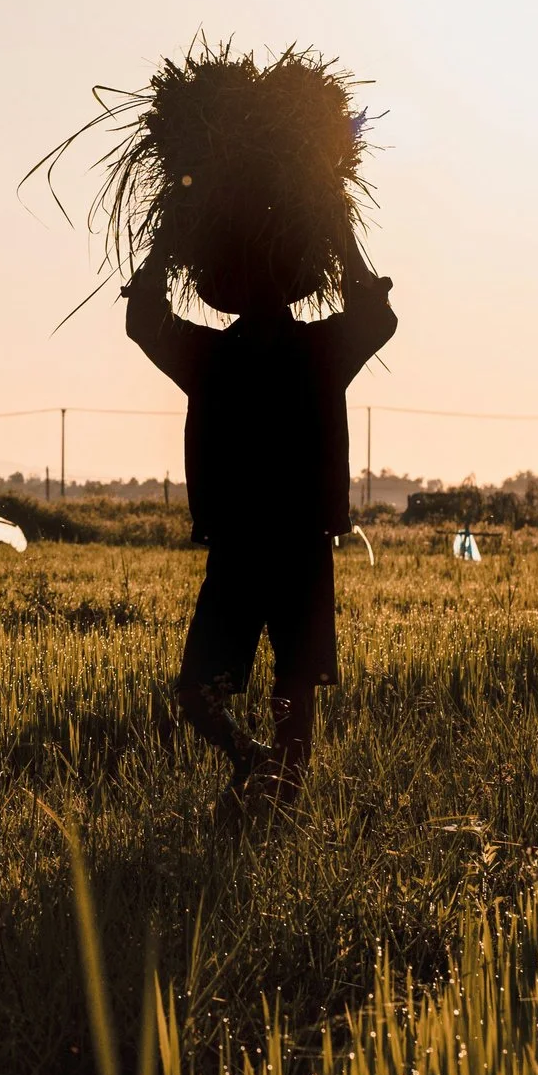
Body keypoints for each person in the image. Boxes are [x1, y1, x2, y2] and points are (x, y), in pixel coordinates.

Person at [126, 216, 395, 802]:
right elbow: (378, 315)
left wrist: (166, 241)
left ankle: (274, 783)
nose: (263, 296)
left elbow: (142, 319)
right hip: (263, 546)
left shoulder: (232, 355)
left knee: (276, 687)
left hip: (271, 544)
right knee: (231, 690)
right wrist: (339, 226)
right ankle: (261, 767)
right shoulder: (304, 351)